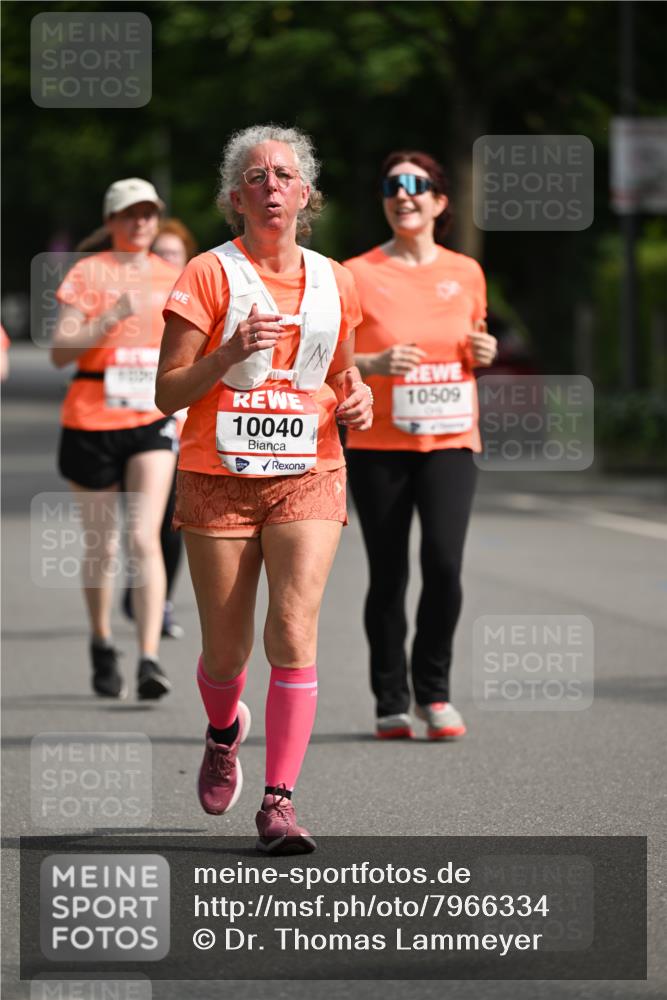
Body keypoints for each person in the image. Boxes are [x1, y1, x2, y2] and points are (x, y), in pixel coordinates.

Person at [155, 124, 372, 854]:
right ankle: (224, 732)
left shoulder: (336, 279)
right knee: (225, 655)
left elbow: (343, 373)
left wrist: (358, 397)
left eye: (283, 175)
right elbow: (166, 392)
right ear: (235, 198)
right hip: (217, 476)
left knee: (292, 630)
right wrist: (227, 354)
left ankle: (279, 802)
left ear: (305, 194)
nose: (270, 186)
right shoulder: (207, 274)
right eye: (256, 176)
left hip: (310, 472)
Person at [343, 150, 497, 741]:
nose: (403, 194)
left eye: (416, 185)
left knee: (444, 564)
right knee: (388, 574)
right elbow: (329, 357)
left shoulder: (467, 271)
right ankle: (391, 699)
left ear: (439, 201)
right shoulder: (355, 273)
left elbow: (474, 343)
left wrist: (483, 354)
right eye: (392, 186)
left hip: (452, 437)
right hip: (379, 442)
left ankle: (434, 693)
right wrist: (375, 362)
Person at [51, 178, 178, 700]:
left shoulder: (174, 276)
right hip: (91, 419)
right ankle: (102, 642)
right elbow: (60, 352)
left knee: (144, 538)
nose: (141, 222)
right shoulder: (88, 273)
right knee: (102, 545)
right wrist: (109, 316)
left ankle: (149, 658)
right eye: (130, 213)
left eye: (148, 213)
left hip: (151, 420)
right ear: (111, 221)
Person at [121, 218, 199, 638]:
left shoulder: (198, 304)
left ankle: (159, 597)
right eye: (161, 253)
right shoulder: (140, 301)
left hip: (186, 427)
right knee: (143, 522)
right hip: (139, 424)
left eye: (174, 255)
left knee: (173, 522)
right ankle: (142, 587)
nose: (166, 261)